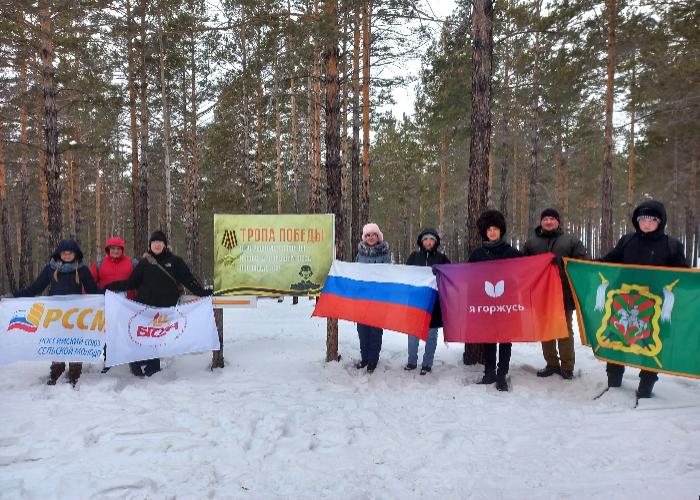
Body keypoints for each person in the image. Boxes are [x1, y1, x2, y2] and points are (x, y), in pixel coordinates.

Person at [601, 200, 688, 398]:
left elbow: (682, 276)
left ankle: (646, 385)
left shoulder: (672, 245)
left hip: (653, 305)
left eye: (651, 219)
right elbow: (609, 261)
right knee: (616, 337)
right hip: (624, 301)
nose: (646, 223)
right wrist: (584, 265)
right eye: (642, 219)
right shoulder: (627, 240)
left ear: (660, 222)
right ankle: (613, 380)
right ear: (637, 220)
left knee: (651, 343)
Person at [106, 230, 211, 377]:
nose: (156, 245)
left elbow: (188, 280)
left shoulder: (175, 261)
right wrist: (110, 287)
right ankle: (136, 363)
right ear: (150, 245)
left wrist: (202, 293)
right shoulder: (144, 263)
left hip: (165, 309)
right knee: (141, 337)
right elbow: (131, 283)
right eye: (154, 242)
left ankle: (152, 367)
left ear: (164, 245)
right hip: (144, 307)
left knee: (155, 338)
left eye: (159, 242)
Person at [13, 239, 100, 386]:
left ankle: (74, 372)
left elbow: (93, 290)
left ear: (75, 254)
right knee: (57, 342)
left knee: (75, 343)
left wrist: (110, 295)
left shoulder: (82, 270)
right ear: (59, 254)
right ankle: (57, 370)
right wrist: (13, 296)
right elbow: (35, 288)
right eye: (64, 252)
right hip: (55, 316)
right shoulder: (50, 269)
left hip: (76, 315)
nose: (67, 255)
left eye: (70, 252)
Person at [523, 208, 588, 380]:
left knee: (564, 331)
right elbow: (523, 267)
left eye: (552, 218)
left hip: (563, 293)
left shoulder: (571, 241)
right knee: (546, 330)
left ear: (558, 221)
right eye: (545, 219)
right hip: (541, 294)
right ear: (541, 222)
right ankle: (552, 363)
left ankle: (567, 367)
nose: (549, 221)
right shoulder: (531, 243)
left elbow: (583, 264)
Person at [468, 210, 522, 391]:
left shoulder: (512, 253)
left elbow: (525, 273)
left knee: (505, 339)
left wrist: (547, 264)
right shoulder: (478, 254)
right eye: (489, 229)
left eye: (495, 229)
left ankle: (502, 374)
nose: (492, 232)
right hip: (486, 304)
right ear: (485, 232)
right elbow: (468, 277)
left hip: (507, 303)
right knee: (488, 338)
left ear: (501, 231)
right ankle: (489, 372)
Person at [404, 228, 450, 375]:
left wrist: (441, 274)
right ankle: (411, 361)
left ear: (435, 241)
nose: (428, 242)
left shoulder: (442, 258)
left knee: (431, 334)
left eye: (431, 239)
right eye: (425, 239)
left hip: (434, 303)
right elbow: (405, 276)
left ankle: (427, 363)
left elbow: (451, 277)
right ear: (421, 242)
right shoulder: (414, 257)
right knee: (413, 333)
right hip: (416, 302)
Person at [90, 236, 137, 373]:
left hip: (128, 301)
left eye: (118, 248)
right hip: (107, 301)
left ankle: (133, 361)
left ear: (122, 250)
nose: (115, 251)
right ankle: (109, 360)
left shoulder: (131, 263)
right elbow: (91, 281)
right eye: (112, 248)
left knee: (129, 331)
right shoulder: (100, 264)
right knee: (109, 332)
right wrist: (88, 297)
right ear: (108, 249)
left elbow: (140, 279)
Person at [355, 223, 391, 373]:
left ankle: (373, 360)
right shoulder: (359, 255)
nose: (371, 237)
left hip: (378, 299)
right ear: (364, 237)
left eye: (373, 235)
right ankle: (364, 358)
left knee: (375, 331)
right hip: (362, 299)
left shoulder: (385, 254)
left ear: (378, 236)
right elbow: (354, 273)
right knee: (362, 330)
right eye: (368, 235)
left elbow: (389, 274)